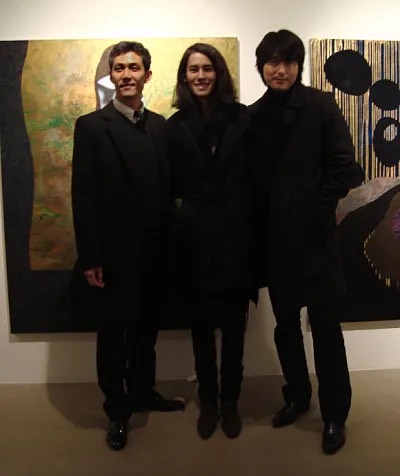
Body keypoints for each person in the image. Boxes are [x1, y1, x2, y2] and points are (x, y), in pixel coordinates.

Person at [249, 30, 363, 454]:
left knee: (326, 330)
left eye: (288, 62)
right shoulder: (253, 116)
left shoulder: (321, 105)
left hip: (315, 239)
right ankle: (297, 395)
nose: (280, 70)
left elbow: (346, 168)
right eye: (272, 62)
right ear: (261, 67)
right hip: (274, 243)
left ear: (298, 66)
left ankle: (335, 414)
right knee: (285, 327)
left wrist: (313, 207)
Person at [71, 41, 184, 451]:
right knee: (113, 337)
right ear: (111, 76)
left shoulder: (160, 126)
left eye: (134, 67)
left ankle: (142, 392)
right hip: (114, 255)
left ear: (147, 75)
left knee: (145, 332)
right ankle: (117, 412)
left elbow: (168, 190)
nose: (126, 75)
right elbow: (83, 196)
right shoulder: (91, 126)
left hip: (155, 251)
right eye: (119, 68)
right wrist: (91, 256)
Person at [167, 43, 255, 439]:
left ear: (218, 73)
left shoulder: (243, 119)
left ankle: (231, 401)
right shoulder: (175, 126)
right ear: (184, 77)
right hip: (194, 240)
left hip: (237, 239)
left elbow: (256, 177)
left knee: (234, 332)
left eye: (207, 68)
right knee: (201, 332)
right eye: (193, 69)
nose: (200, 75)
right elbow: (169, 185)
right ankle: (209, 401)